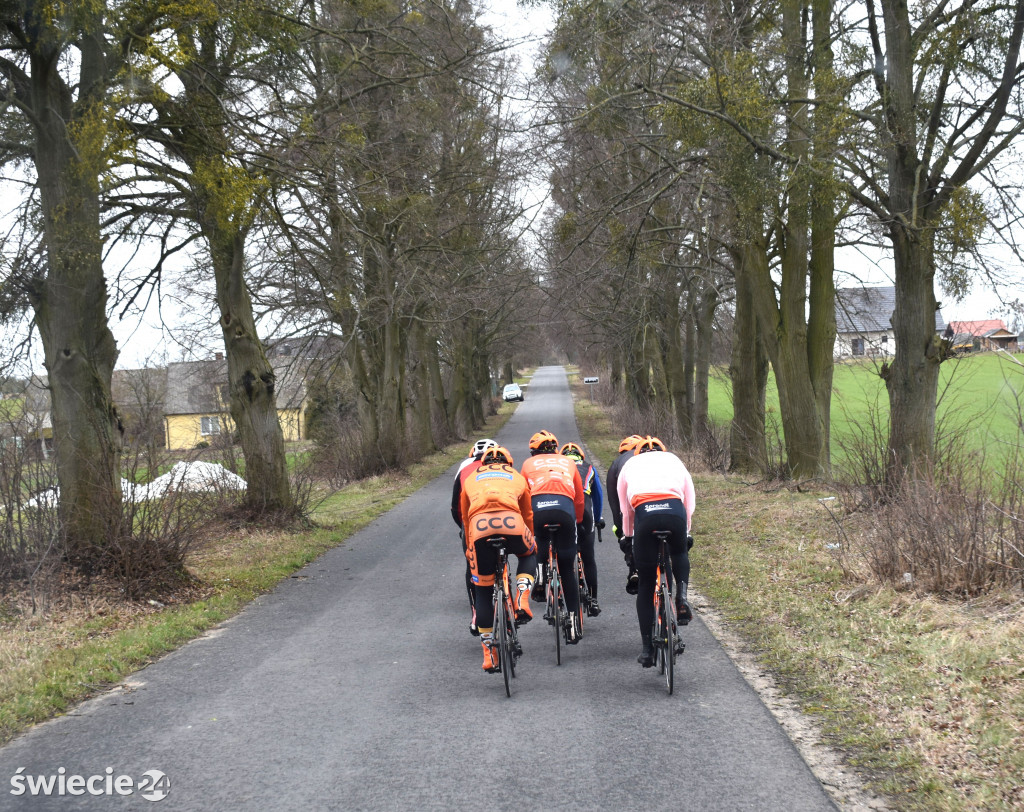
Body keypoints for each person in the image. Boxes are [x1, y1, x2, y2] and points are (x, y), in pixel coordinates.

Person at [616, 436, 696, 668]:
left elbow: (625, 510)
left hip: (646, 514)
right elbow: (689, 500)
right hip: (674, 511)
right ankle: (681, 597)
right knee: (679, 553)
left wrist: (629, 537)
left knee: (646, 583)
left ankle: (647, 650)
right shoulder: (674, 460)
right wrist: (687, 530)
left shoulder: (629, 465)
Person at [460, 445, 538, 672]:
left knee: (483, 590)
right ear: (509, 462)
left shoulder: (471, 477)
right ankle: (522, 598)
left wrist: (469, 549)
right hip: (511, 522)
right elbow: (528, 514)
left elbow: (465, 519)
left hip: (479, 529)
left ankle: (489, 654)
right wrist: (530, 538)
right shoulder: (516, 475)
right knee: (528, 553)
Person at [520, 430, 586, 643]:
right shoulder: (568, 462)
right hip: (564, 511)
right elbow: (578, 497)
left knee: (537, 537)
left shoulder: (528, 465)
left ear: (533, 451)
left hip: (538, 510)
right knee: (567, 569)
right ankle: (575, 624)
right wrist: (577, 520)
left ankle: (539, 572)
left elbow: (522, 494)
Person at [451, 438, 498, 636]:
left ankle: (476, 614)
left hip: (473, 524)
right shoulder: (505, 468)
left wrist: (463, 527)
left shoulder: (464, 468)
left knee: (473, 567)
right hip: (505, 522)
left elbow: (456, 506)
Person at [559, 442, 605, 616]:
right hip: (584, 511)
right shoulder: (589, 468)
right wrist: (598, 518)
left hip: (564, 508)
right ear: (581, 456)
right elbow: (598, 496)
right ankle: (593, 600)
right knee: (588, 558)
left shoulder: (557, 468)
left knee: (563, 555)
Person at [606, 434, 644, 594]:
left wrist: (620, 530)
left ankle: (633, 567)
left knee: (628, 535)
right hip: (661, 504)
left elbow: (615, 502)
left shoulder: (617, 463)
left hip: (632, 503)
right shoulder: (654, 457)